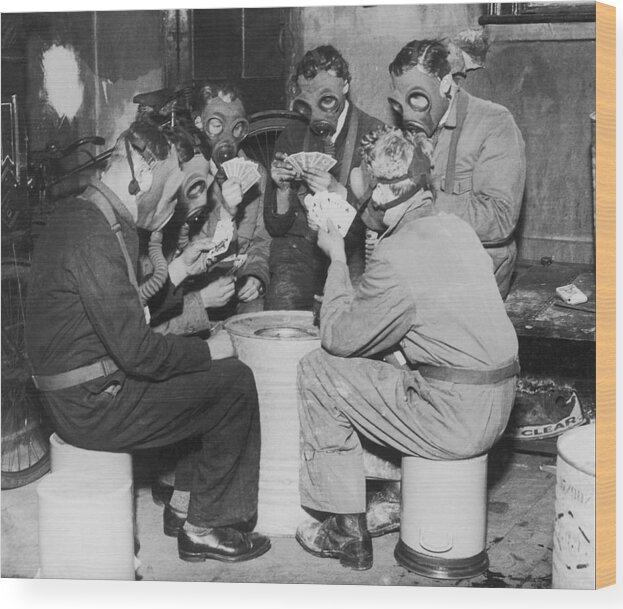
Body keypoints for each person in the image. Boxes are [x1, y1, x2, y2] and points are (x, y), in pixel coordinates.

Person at [25, 119, 271, 564]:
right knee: (233, 384)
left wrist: (177, 272)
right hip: (93, 405)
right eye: (171, 190)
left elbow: (120, 310)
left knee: (206, 378)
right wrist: (206, 350)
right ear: (142, 177)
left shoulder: (83, 215)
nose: (174, 204)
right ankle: (206, 528)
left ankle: (183, 507)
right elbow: (137, 351)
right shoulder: (94, 237)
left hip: (79, 391)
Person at [294, 127, 519, 570]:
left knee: (317, 371)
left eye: (362, 189)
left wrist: (337, 259)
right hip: (501, 401)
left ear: (379, 195)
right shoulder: (457, 229)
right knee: (390, 358)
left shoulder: (395, 255)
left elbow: (338, 339)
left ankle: (345, 530)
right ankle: (394, 492)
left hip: (457, 418)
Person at [387, 39, 526, 298]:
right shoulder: (407, 133)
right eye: (400, 103)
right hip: (420, 260)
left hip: (475, 269)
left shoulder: (494, 123)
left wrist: (417, 209)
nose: (408, 115)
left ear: (446, 83)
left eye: (417, 98)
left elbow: (500, 218)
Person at [264, 45, 383, 310]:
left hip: (354, 250)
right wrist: (282, 189)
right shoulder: (293, 135)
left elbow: (381, 218)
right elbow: (276, 228)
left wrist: (339, 191)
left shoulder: (374, 134)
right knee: (283, 311)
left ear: (345, 86)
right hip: (300, 249)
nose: (317, 113)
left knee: (355, 318)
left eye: (326, 100)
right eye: (309, 103)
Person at [151, 82, 271, 335]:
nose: (227, 137)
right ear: (199, 123)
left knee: (258, 328)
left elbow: (261, 241)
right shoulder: (186, 176)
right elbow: (177, 253)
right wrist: (201, 298)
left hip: (237, 290)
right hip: (192, 293)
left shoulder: (256, 175)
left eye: (236, 127)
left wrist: (256, 277)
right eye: (216, 125)